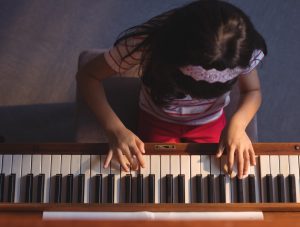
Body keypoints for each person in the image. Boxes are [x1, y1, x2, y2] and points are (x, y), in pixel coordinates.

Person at [76, 0, 267, 179]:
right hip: (157, 116)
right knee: (153, 172)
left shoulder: (244, 53)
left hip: (210, 119)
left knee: (220, 171)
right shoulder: (147, 45)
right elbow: (87, 76)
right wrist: (115, 129)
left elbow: (252, 91)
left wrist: (238, 125)